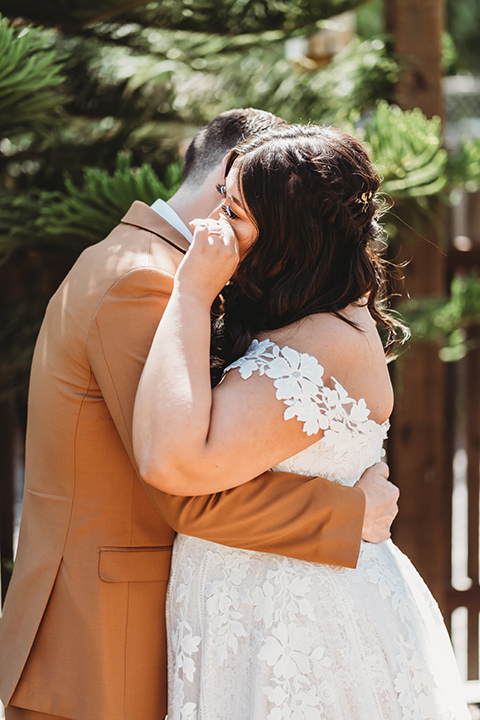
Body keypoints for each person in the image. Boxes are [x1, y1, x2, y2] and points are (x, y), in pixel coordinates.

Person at [0, 110, 398, 720]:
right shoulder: (148, 279)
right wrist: (351, 512)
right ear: (226, 179)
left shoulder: (137, 260)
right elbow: (184, 483)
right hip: (105, 641)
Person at [133, 124, 470, 719]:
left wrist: (190, 293)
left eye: (234, 211)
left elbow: (171, 460)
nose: (212, 226)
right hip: (266, 609)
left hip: (295, 627)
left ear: (288, 237)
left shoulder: (315, 346)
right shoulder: (316, 311)